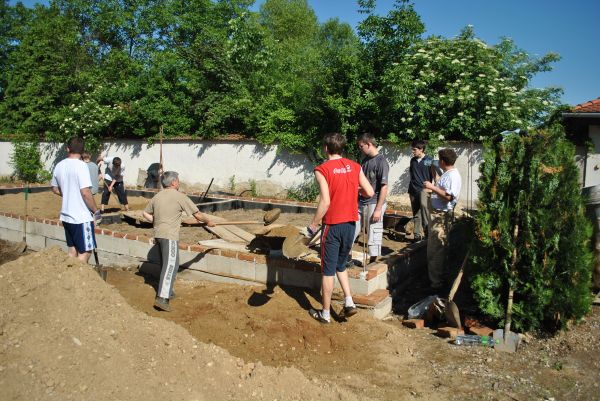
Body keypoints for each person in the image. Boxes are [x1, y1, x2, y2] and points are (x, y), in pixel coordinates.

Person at [306, 133, 374, 324]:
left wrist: (313, 225)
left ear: (326, 148)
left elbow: (325, 201)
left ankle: (325, 314)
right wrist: (351, 190)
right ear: (342, 148)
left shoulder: (322, 169)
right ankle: (349, 301)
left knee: (327, 270)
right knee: (340, 265)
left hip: (333, 226)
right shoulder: (355, 166)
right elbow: (369, 192)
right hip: (351, 224)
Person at [142, 171, 215, 312]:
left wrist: (157, 222)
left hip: (158, 234)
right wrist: (209, 221)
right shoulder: (180, 196)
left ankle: (168, 291)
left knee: (170, 264)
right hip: (169, 236)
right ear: (174, 182)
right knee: (170, 266)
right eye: (178, 180)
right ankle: (162, 298)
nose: (179, 182)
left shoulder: (157, 196)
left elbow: (145, 213)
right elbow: (198, 215)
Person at [51, 137, 101, 263]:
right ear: (83, 151)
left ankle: (68, 279)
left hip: (66, 216)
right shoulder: (82, 166)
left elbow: (55, 189)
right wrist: (96, 211)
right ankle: (78, 282)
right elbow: (85, 193)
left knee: (72, 251)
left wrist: (69, 194)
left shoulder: (59, 165)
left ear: (67, 149)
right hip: (81, 218)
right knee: (85, 252)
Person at [423, 148, 462, 291]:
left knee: (436, 250)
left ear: (443, 161)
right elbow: (441, 184)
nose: (438, 161)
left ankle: (436, 284)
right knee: (437, 248)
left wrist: (432, 187)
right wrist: (433, 173)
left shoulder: (453, 176)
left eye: (439, 160)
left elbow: (449, 196)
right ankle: (437, 280)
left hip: (441, 215)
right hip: (438, 214)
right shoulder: (448, 174)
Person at [353, 133, 389, 265]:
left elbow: (384, 187)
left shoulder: (381, 162)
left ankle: (374, 259)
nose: (360, 148)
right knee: (354, 226)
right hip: (361, 201)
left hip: (374, 202)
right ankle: (345, 253)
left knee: (374, 230)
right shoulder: (365, 160)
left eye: (361, 146)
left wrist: (378, 209)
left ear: (369, 144)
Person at [408, 140, 434, 242]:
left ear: (421, 149)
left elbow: (433, 174)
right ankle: (417, 235)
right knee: (416, 213)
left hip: (424, 191)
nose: (413, 151)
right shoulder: (413, 160)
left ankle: (427, 234)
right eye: (412, 149)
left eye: (414, 149)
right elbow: (412, 174)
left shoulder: (428, 160)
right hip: (413, 190)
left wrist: (431, 188)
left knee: (424, 211)